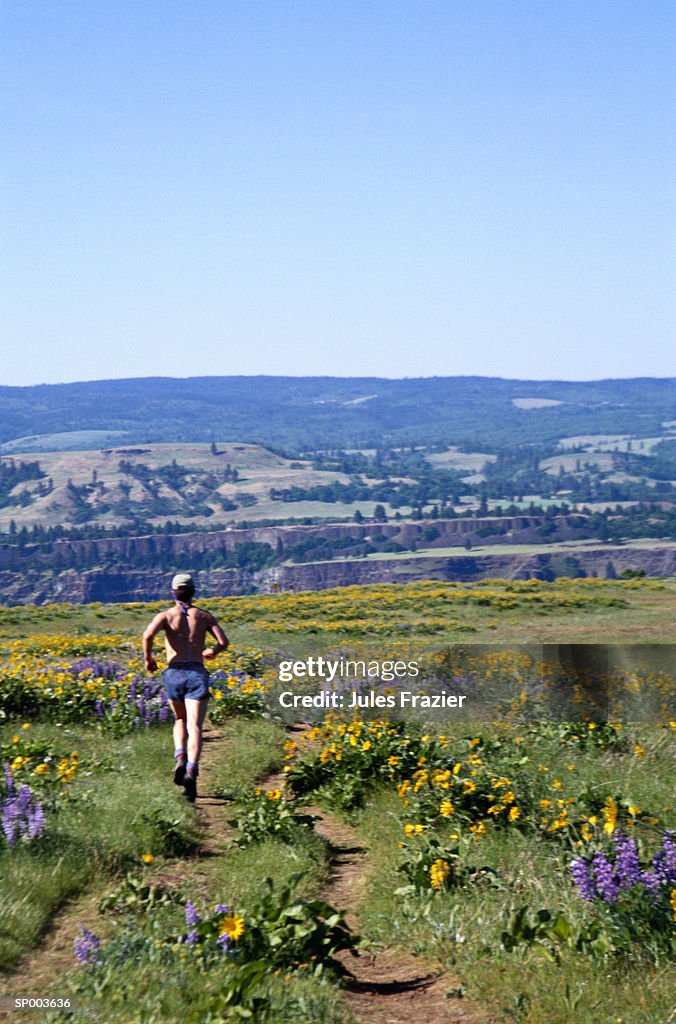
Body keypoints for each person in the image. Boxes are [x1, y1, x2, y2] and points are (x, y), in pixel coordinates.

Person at [142, 572, 228, 801]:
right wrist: (213, 651)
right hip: (196, 673)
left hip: (173, 673)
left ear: (173, 592)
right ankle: (192, 770)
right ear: (193, 592)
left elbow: (147, 636)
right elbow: (223, 642)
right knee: (196, 726)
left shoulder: (166, 616)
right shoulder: (204, 616)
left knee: (179, 720)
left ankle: (180, 755)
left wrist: (149, 659)